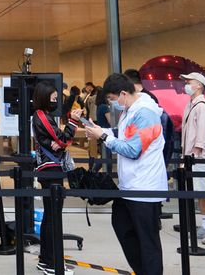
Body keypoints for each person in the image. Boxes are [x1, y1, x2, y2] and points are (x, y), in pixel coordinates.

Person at [80, 73, 166, 275]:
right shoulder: (131, 110)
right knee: (123, 226)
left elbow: (133, 150)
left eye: (112, 99)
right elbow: (124, 134)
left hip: (145, 187)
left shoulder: (145, 113)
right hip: (130, 186)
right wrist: (100, 130)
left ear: (123, 93)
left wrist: (102, 137)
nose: (112, 104)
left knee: (147, 241)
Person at [31, 81, 78, 275]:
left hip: (50, 169)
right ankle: (52, 264)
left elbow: (58, 141)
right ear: (44, 98)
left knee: (51, 216)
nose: (56, 102)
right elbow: (62, 140)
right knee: (53, 218)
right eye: (53, 99)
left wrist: (60, 140)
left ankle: (46, 260)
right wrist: (73, 123)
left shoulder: (44, 115)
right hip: (51, 170)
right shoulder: (42, 116)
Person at [179, 71, 205, 244]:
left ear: (198, 85)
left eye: (189, 81)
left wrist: (194, 155)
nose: (186, 84)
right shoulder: (192, 104)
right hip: (191, 157)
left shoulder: (202, 106)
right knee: (200, 193)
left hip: (197, 158)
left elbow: (202, 135)